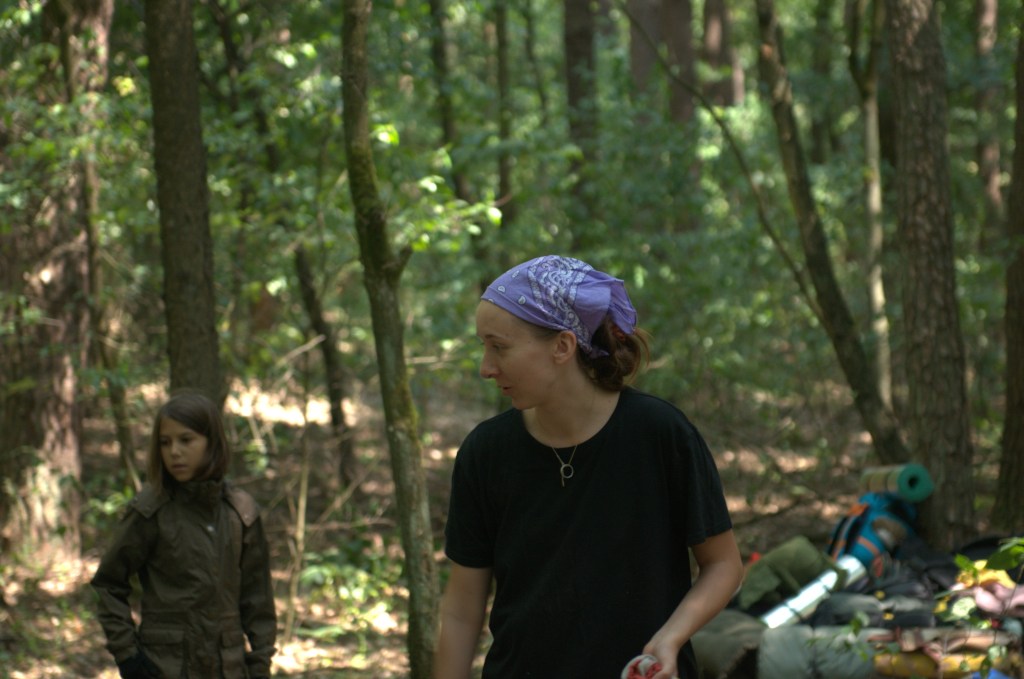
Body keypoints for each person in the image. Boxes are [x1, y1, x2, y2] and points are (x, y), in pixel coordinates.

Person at [433, 255, 744, 679]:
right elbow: (461, 610)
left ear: (562, 346)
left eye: (499, 347)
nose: (486, 368)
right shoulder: (485, 452)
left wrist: (670, 638)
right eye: (483, 347)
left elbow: (724, 565)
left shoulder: (659, 434)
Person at [91, 390, 277, 679]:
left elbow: (258, 598)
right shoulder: (151, 511)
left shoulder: (240, 512)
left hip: (228, 667)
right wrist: (128, 657)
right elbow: (108, 584)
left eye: (186, 440)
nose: (174, 452)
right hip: (165, 667)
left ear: (211, 442)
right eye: (165, 442)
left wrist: (260, 664)